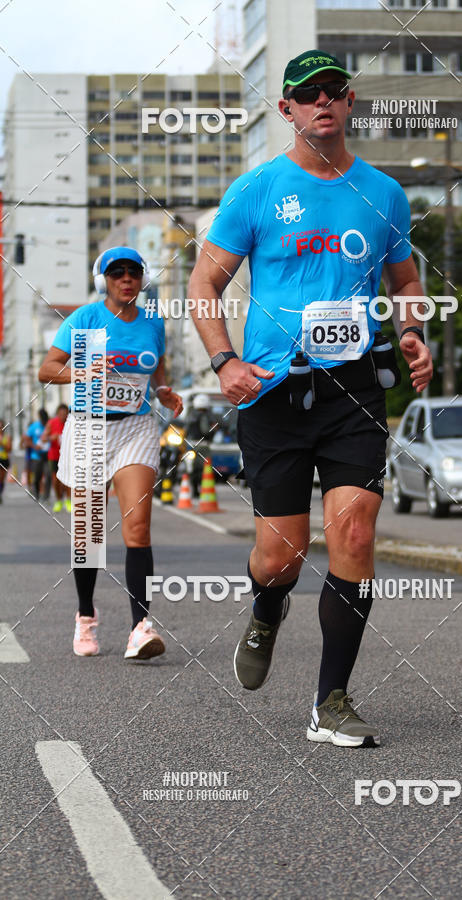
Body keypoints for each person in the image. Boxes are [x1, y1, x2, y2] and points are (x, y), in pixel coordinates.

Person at [188, 50, 433, 747]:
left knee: (354, 534)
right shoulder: (256, 190)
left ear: (350, 101)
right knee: (282, 558)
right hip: (270, 389)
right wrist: (223, 360)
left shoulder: (384, 193)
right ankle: (267, 608)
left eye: (333, 91)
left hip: (353, 387)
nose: (321, 101)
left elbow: (406, 281)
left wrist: (412, 332)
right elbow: (204, 286)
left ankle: (332, 701)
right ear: (286, 109)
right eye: (306, 94)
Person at [38, 246, 183, 659]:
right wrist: (81, 371)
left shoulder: (154, 321)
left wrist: (162, 390)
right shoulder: (86, 319)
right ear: (104, 279)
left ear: (141, 279)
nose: (126, 279)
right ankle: (86, 616)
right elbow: (47, 369)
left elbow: (156, 366)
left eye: (133, 273)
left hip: (135, 427)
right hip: (87, 427)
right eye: (117, 272)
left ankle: (140, 627)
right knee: (89, 535)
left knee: (138, 527)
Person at [40, 403, 70, 513]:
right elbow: (43, 438)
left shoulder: (71, 422)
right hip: (54, 455)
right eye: (61, 414)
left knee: (67, 480)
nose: (63, 416)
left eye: (65, 414)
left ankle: (68, 500)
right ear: (57, 414)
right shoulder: (52, 423)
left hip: (67, 455)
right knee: (56, 480)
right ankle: (58, 500)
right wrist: (50, 437)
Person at [21, 409, 50, 501]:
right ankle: (37, 493)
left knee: (48, 474)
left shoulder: (49, 425)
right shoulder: (34, 426)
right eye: (42, 420)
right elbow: (26, 438)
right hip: (36, 456)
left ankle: (46, 496)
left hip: (48, 455)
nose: (44, 422)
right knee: (37, 476)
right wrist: (34, 446)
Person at [0, 419, 12, 503]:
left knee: (1, 479)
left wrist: (2, 443)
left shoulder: (7, 437)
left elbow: (9, 449)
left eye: (1, 427)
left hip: (4, 459)